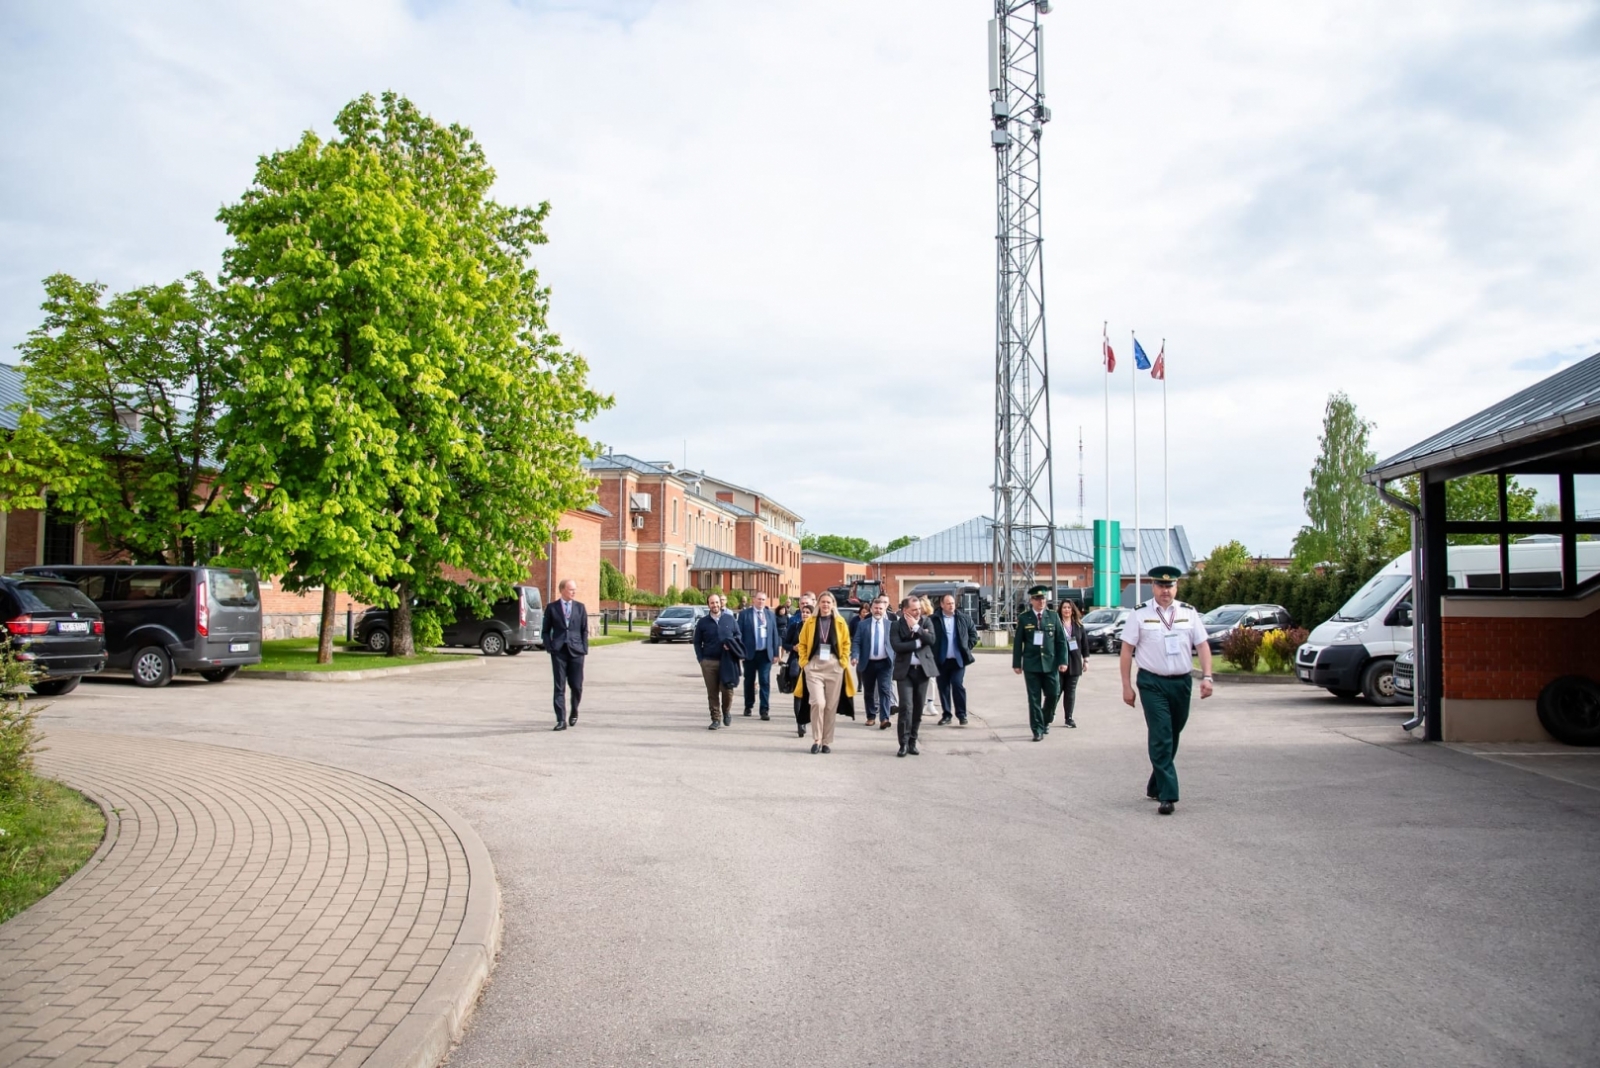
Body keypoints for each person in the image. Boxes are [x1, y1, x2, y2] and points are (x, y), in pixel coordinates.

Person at [1119, 565, 1212, 815]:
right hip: (1152, 682)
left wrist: (1207, 677)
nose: (1165, 590)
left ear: (1176, 586)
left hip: (1181, 682)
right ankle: (1168, 794)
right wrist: (1127, 686)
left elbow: (1202, 645)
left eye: (1170, 586)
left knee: (1173, 733)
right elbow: (1127, 650)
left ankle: (1155, 782)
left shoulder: (1189, 613)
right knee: (1161, 733)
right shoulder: (1139, 614)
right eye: (1161, 585)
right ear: (1153, 586)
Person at [794, 590, 855, 754]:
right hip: (814, 666)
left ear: (833, 604)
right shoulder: (811, 622)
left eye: (829, 602)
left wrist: (842, 662)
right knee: (817, 703)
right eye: (823, 602)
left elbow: (847, 644)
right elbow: (802, 644)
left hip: (834, 666)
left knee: (830, 706)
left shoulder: (840, 622)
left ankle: (827, 741)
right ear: (818, 604)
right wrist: (804, 663)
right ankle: (816, 739)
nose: (826, 605)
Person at [1012, 584, 1068, 741]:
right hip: (1032, 664)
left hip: (1050, 663)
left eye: (1043, 598)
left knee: (1053, 694)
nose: (1041, 601)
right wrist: (1017, 663)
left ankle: (1045, 719)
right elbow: (1018, 643)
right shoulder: (1024, 618)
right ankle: (1037, 729)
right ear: (1031, 600)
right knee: (1034, 698)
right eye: (1037, 599)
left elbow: (1061, 641)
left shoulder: (1053, 616)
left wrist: (1063, 661)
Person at [891, 595, 937, 757]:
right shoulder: (896, 625)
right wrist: (917, 643)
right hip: (906, 672)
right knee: (906, 707)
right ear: (905, 610)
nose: (918, 612)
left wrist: (917, 629)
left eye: (919, 609)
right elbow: (896, 645)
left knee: (917, 708)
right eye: (914, 610)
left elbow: (931, 639)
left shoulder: (926, 622)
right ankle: (903, 743)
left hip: (923, 671)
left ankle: (912, 741)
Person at [541, 578, 589, 731]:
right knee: (559, 686)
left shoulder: (580, 608)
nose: (573, 592)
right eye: (570, 589)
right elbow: (546, 630)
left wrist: (584, 648)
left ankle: (574, 710)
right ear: (562, 590)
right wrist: (550, 647)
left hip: (576, 651)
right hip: (559, 651)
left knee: (576, 686)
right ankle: (561, 720)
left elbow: (584, 630)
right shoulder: (552, 608)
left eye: (575, 589)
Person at [695, 594, 744, 730]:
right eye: (712, 603)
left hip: (727, 661)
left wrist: (732, 644)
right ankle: (715, 719)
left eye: (717, 602)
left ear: (720, 603)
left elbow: (738, 635)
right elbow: (697, 642)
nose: (715, 605)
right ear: (708, 605)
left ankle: (726, 711)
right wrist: (701, 659)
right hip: (709, 662)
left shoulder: (729, 619)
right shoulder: (703, 622)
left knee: (728, 690)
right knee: (712, 692)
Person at [930, 593, 977, 726]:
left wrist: (966, 648)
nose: (951, 606)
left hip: (958, 660)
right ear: (942, 605)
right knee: (943, 687)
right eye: (948, 603)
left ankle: (962, 715)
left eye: (953, 603)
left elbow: (973, 634)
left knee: (957, 685)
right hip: (941, 660)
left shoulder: (963, 618)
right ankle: (946, 715)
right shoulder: (934, 619)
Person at [851, 596, 895, 731]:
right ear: (871, 609)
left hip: (885, 663)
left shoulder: (890, 625)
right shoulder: (863, 624)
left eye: (881, 608)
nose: (878, 611)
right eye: (875, 608)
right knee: (868, 691)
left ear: (884, 609)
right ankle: (871, 716)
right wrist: (855, 656)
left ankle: (884, 718)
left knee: (884, 690)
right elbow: (857, 642)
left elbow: (895, 643)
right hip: (868, 663)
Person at [738, 591, 781, 720]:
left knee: (764, 680)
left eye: (763, 599)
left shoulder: (770, 615)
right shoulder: (744, 615)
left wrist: (775, 653)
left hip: (765, 654)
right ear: (753, 600)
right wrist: (740, 652)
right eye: (759, 599)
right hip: (749, 654)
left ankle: (764, 709)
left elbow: (775, 634)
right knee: (749, 681)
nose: (761, 601)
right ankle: (748, 706)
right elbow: (739, 634)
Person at [783, 595, 816, 738]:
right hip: (797, 664)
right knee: (798, 695)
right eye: (803, 612)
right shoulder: (795, 626)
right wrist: (793, 648)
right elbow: (785, 643)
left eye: (808, 612)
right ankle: (800, 723)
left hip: (814, 666)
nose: (805, 614)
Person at [1056, 599, 1089, 729]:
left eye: (1069, 608)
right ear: (1060, 610)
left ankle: (1068, 718)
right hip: (1059, 663)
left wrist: (1086, 660)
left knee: (1070, 693)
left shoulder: (1079, 626)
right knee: (1056, 691)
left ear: (1072, 610)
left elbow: (1085, 644)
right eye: (1064, 607)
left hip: (1074, 663)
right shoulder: (1056, 624)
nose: (1066, 610)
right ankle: (1048, 714)